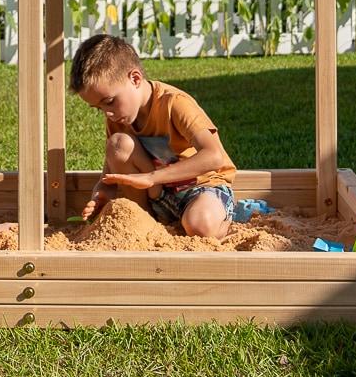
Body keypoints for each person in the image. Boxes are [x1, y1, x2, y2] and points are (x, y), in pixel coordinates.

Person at [71, 34, 236, 239]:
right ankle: (146, 221)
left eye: (110, 101)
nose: (107, 113)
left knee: (199, 225)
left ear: (135, 78)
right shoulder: (118, 117)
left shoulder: (174, 103)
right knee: (118, 144)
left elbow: (213, 156)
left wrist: (151, 178)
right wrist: (102, 191)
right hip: (157, 197)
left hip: (201, 189)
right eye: (98, 108)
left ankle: (227, 219)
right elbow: (110, 176)